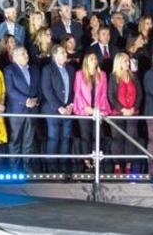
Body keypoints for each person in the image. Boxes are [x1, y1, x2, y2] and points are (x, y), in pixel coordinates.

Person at [73, 53, 111, 171]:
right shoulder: (79, 74)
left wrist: (97, 109)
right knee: (85, 136)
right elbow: (77, 93)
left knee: (97, 136)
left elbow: (103, 94)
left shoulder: (102, 75)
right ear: (86, 61)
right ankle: (86, 161)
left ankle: (96, 161)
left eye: (95, 58)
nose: (94, 60)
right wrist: (86, 107)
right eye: (91, 59)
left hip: (98, 111)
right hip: (84, 110)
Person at [41, 45, 75, 173]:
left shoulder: (70, 69)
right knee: (53, 138)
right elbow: (47, 90)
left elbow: (73, 89)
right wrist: (59, 107)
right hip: (53, 110)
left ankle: (63, 167)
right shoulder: (48, 69)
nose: (66, 55)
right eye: (62, 53)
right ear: (55, 55)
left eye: (65, 53)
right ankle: (52, 169)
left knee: (66, 139)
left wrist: (71, 105)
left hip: (68, 110)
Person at [107, 52, 142, 174]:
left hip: (132, 113)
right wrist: (122, 109)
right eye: (125, 61)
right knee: (118, 139)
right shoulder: (113, 77)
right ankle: (117, 165)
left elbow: (139, 94)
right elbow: (111, 96)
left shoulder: (134, 76)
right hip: (118, 113)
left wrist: (133, 108)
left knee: (131, 138)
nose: (128, 63)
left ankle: (129, 164)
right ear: (119, 63)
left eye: (128, 61)